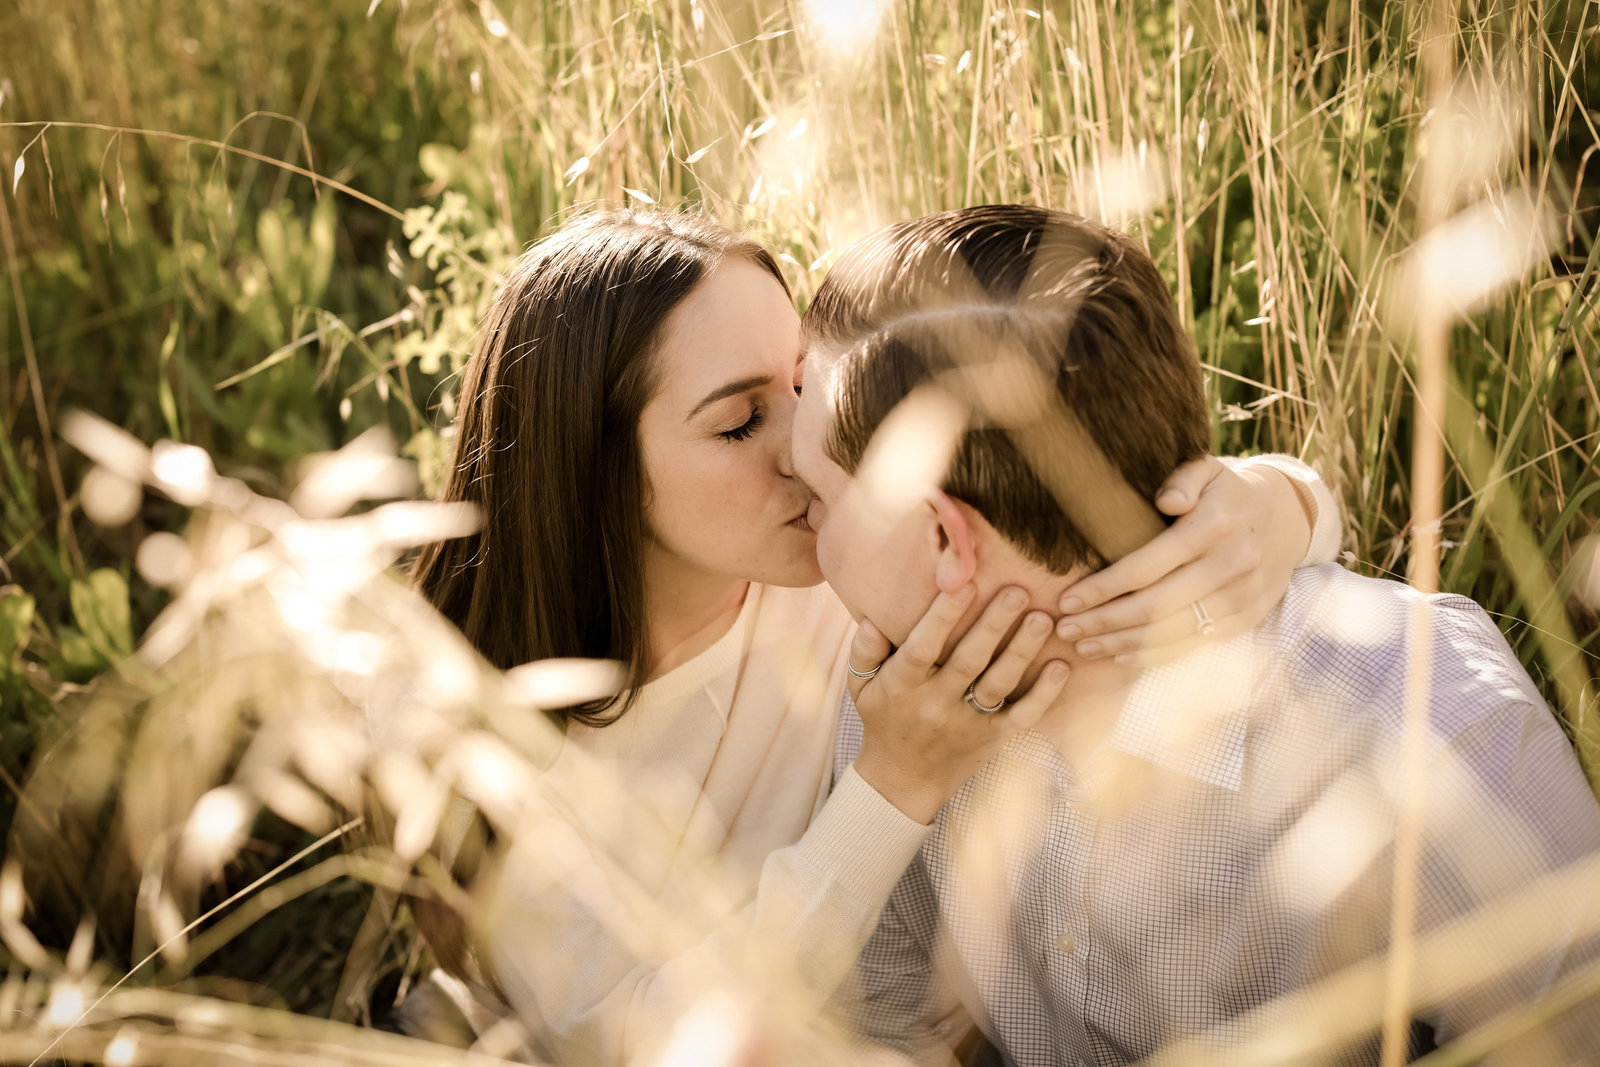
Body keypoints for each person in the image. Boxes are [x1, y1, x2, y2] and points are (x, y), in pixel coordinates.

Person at [387, 211, 1343, 1063]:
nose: (812, 442)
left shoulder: (847, 565)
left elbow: (1048, 524)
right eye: (738, 421)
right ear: (595, 473)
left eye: (803, 381)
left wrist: (1282, 503)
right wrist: (895, 781)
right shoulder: (502, 743)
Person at [788, 204, 1600, 1065]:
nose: (800, 516)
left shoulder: (1437, 728)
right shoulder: (904, 705)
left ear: (947, 538)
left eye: (821, 495)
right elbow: (875, 1029)